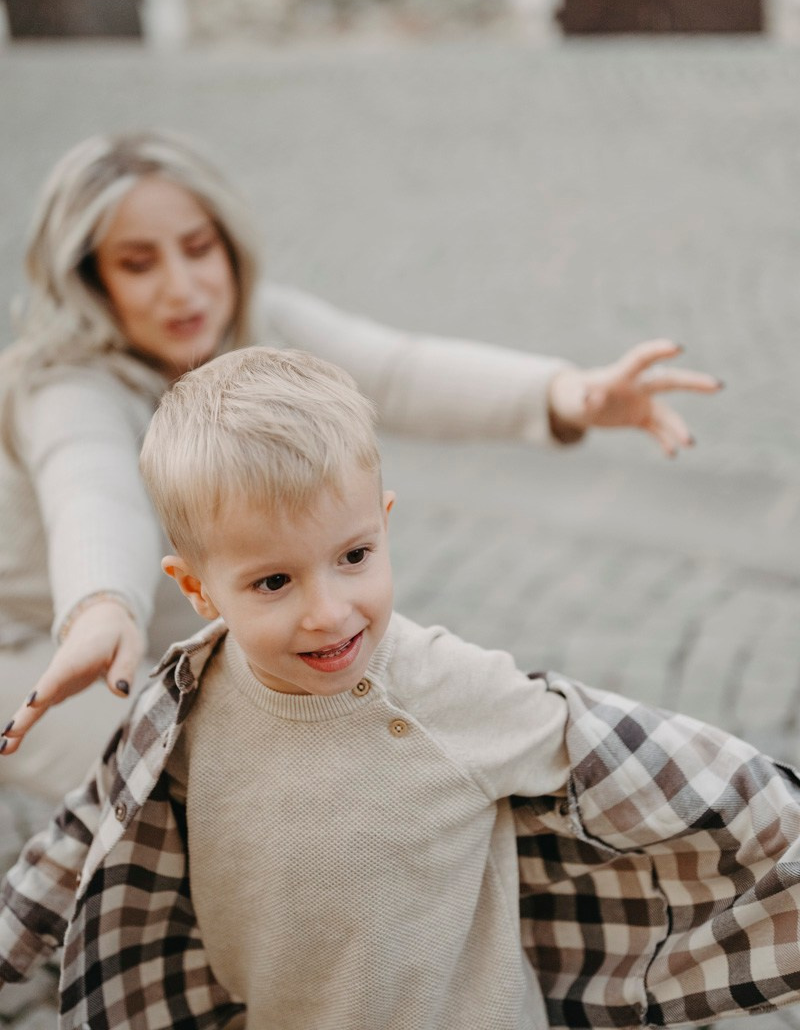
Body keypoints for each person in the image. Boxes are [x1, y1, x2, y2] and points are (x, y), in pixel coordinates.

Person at [0, 347, 797, 1030]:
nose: (329, 610)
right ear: (198, 589)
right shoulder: (183, 706)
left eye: (354, 555)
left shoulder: (449, 689)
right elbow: (86, 834)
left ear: (383, 522)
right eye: (274, 580)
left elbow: (664, 767)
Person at [0, 131, 721, 799]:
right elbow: (90, 494)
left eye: (198, 247)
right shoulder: (65, 387)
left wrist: (568, 393)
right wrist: (101, 606)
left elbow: (401, 371)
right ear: (89, 279)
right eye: (138, 263)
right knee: (201, 801)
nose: (183, 286)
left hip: (190, 635)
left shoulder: (260, 328)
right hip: (45, 652)